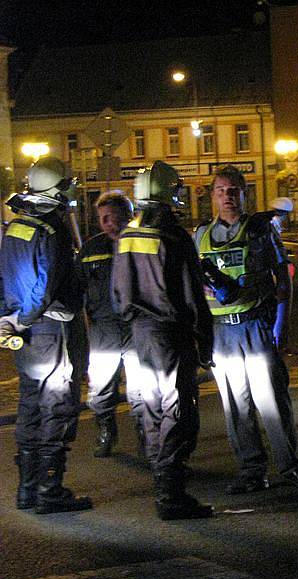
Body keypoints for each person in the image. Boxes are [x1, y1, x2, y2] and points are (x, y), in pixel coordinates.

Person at [194, 165, 298, 495]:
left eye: (234, 190)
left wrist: (282, 324)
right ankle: (252, 470)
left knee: (271, 403)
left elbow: (283, 278)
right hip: (222, 332)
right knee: (236, 407)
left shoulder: (261, 231)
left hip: (256, 325)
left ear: (244, 193)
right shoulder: (201, 237)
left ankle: (290, 466)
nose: (228, 197)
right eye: (221, 191)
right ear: (212, 196)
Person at [111, 160, 214, 521]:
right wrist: (206, 340)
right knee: (179, 409)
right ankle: (171, 494)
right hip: (172, 334)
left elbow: (118, 292)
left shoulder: (127, 234)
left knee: (153, 406)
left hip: (140, 334)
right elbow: (193, 296)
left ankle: (162, 484)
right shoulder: (173, 235)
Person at [0, 156, 92, 514]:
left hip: (24, 335)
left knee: (30, 406)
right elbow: (45, 287)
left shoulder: (15, 226)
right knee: (57, 405)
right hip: (52, 331)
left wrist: (10, 320)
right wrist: (25, 316)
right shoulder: (52, 230)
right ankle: (50, 490)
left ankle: (26, 490)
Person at [77, 191, 145, 458]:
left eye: (111, 216)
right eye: (101, 218)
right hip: (103, 330)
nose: (105, 222)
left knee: (141, 388)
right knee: (101, 388)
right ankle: (106, 430)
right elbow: (78, 289)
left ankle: (144, 435)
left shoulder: (140, 245)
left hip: (135, 327)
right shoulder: (91, 250)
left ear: (127, 216)